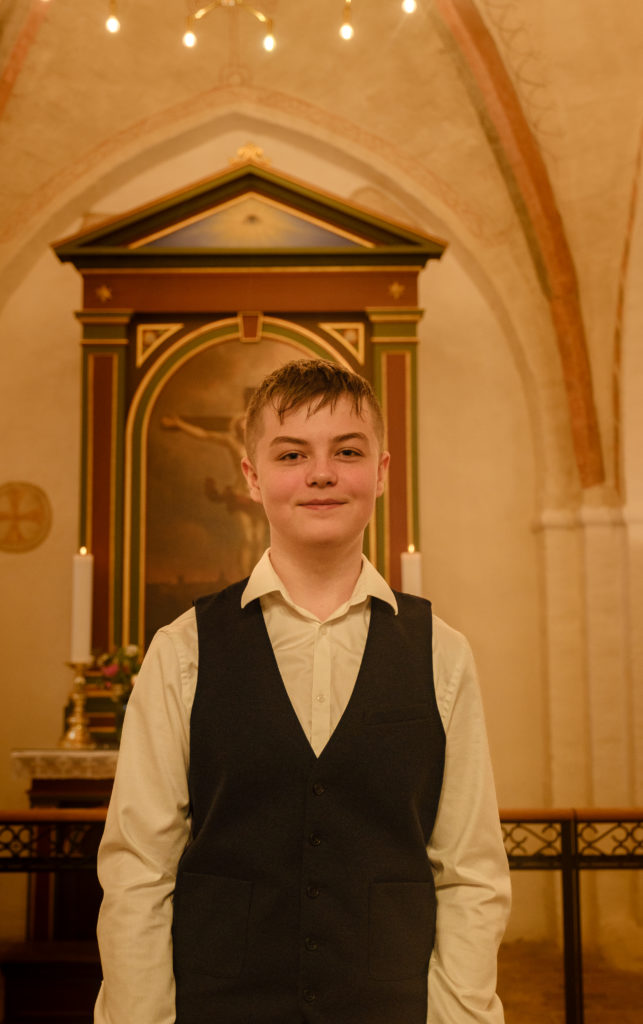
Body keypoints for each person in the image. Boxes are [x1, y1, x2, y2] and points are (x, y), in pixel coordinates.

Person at [94, 358, 511, 1024]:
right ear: (252, 477)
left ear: (380, 472)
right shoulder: (183, 650)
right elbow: (139, 869)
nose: (321, 473)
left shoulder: (441, 653)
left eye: (347, 451)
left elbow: (469, 873)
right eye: (292, 454)